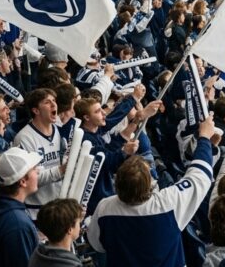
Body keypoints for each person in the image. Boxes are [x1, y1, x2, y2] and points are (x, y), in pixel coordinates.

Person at [88, 114, 217, 267]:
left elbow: (97, 245)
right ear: (150, 184)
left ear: (117, 183)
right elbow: (200, 174)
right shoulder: (168, 203)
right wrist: (204, 138)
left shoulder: (105, 208)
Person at [11, 88, 65, 218]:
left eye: (54, 100)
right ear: (36, 110)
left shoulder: (60, 131)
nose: (53, 105)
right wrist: (61, 170)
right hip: (37, 210)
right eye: (47, 102)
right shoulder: (24, 138)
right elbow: (28, 179)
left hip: (59, 204)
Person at [29, 198, 83, 267]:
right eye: (79, 222)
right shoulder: (71, 264)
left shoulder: (38, 254)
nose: (80, 226)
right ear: (69, 229)